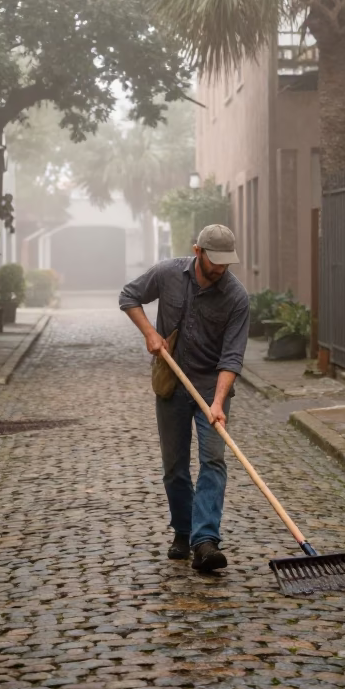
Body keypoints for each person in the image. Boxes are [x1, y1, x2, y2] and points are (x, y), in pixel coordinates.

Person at [119, 224, 250, 573]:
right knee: (175, 466)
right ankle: (183, 529)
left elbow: (232, 357)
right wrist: (150, 333)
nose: (221, 269)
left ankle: (205, 541)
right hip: (172, 382)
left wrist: (218, 403)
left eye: (227, 262)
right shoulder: (166, 274)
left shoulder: (236, 298)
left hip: (211, 386)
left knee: (214, 460)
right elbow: (128, 296)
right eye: (215, 261)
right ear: (198, 252)